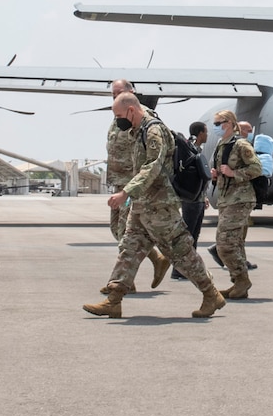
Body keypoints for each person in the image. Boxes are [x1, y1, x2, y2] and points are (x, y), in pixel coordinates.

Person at [85, 93, 224, 318]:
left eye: (119, 115)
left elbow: (153, 166)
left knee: (181, 252)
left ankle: (211, 294)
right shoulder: (137, 129)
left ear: (131, 110)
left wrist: (126, 192)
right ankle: (114, 299)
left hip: (160, 206)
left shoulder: (153, 131)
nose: (117, 120)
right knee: (128, 249)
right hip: (142, 205)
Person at [104, 78, 168, 289]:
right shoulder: (118, 118)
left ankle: (122, 283)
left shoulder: (142, 116)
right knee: (117, 230)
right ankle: (157, 259)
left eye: (119, 92)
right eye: (113, 94)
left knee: (127, 233)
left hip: (132, 185)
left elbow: (150, 155)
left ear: (132, 92)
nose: (115, 97)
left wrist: (133, 186)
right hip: (119, 181)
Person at [209, 110, 263, 298]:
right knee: (235, 243)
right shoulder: (221, 145)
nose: (216, 126)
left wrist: (234, 173)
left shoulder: (240, 144)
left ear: (230, 123)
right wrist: (216, 173)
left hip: (240, 199)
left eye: (220, 122)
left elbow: (257, 168)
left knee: (224, 245)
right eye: (214, 123)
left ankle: (241, 280)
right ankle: (239, 282)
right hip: (226, 199)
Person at [171, 121, 213, 281]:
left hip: (198, 199)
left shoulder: (195, 149)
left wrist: (204, 196)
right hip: (191, 200)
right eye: (206, 132)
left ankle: (188, 269)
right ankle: (178, 271)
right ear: (200, 133)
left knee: (194, 235)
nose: (207, 135)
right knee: (188, 235)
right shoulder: (191, 149)